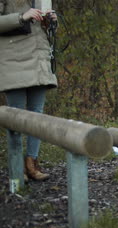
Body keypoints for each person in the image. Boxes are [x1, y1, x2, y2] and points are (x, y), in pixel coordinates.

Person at [0, 0, 58, 181]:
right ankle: (17, 167)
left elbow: (43, 29)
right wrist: (21, 17)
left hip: (39, 59)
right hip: (13, 61)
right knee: (15, 118)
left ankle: (31, 163)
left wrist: (51, 21)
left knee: (37, 116)